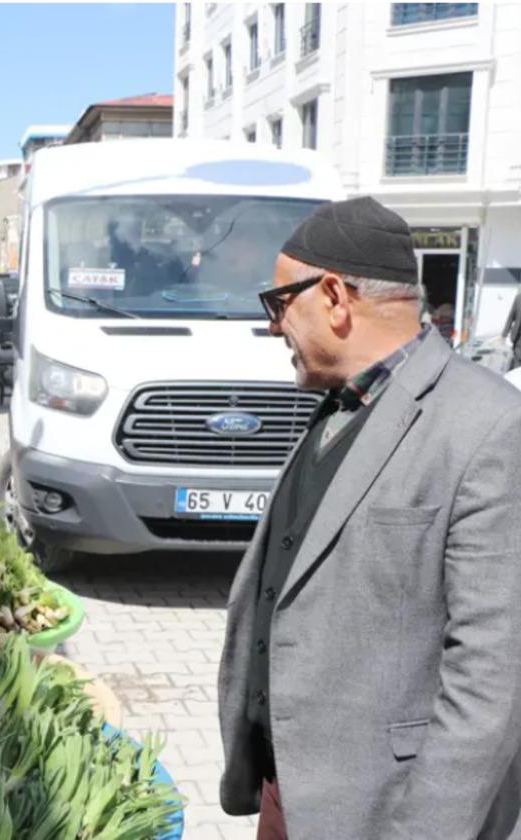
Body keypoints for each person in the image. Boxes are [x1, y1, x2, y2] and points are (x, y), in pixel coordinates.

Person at [217, 196, 521, 840]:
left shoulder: (490, 426)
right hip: (292, 794)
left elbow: (493, 682)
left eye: (278, 305)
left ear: (333, 296)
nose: (275, 328)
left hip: (386, 814)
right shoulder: (340, 401)